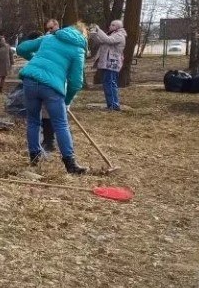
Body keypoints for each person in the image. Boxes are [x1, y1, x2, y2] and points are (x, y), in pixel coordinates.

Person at [16, 23, 89, 174]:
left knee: (33, 120)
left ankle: (34, 157)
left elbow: (21, 48)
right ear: (83, 36)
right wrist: (67, 101)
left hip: (30, 80)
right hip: (52, 86)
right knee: (61, 124)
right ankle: (70, 164)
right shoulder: (78, 49)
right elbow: (76, 82)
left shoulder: (49, 38)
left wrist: (35, 60)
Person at [90, 19, 127, 111]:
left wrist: (98, 30)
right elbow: (100, 41)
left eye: (113, 25)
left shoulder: (119, 35)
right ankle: (110, 104)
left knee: (110, 83)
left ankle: (114, 105)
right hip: (106, 63)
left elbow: (108, 40)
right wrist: (93, 34)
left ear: (118, 27)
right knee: (107, 83)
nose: (110, 26)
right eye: (111, 24)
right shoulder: (111, 34)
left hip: (112, 63)